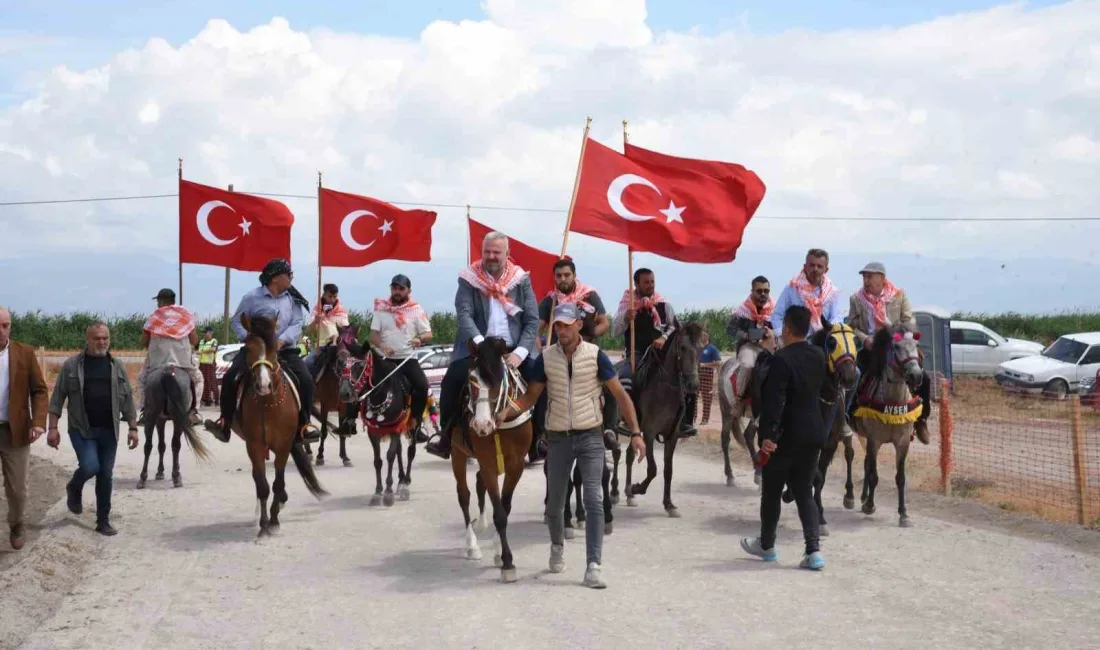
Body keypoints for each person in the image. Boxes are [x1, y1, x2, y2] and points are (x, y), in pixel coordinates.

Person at [495, 303, 647, 589]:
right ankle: (556, 545)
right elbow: (530, 397)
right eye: (558, 325)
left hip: (590, 435)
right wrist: (506, 412)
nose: (562, 330)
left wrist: (636, 432)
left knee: (592, 498)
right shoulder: (546, 358)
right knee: (554, 505)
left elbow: (621, 396)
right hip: (558, 438)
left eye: (567, 325)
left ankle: (593, 565)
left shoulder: (595, 356)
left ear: (579, 325)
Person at [425, 231, 539, 460]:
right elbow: (464, 314)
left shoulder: (521, 279)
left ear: (508, 253)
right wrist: (479, 346)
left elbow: (532, 320)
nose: (491, 256)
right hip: (477, 347)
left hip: (513, 349)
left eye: (497, 252)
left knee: (542, 379)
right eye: (487, 251)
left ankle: (540, 440)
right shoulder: (468, 278)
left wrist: (520, 353)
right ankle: (445, 438)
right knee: (451, 381)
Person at [741, 305, 833, 570]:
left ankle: (767, 546)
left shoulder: (781, 359)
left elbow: (774, 400)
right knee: (804, 491)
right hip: (814, 432)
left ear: (789, 328)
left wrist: (767, 435)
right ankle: (813, 551)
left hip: (785, 435)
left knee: (771, 491)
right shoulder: (818, 355)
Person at [204, 258, 321, 443]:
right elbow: (236, 321)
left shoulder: (293, 299)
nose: (291, 278)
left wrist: (282, 340)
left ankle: (304, 426)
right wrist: (250, 339)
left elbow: (298, 322)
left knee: (306, 380)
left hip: (284, 349)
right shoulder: (251, 297)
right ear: (275, 278)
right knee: (230, 376)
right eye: (288, 274)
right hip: (256, 350)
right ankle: (225, 425)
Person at [47, 321, 139, 537]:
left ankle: (103, 521)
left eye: (105, 337)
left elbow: (127, 400)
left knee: (105, 475)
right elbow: (57, 398)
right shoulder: (71, 366)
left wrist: (133, 428)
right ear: (87, 340)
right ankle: (74, 487)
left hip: (109, 430)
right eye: (97, 338)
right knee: (90, 466)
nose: (101, 342)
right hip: (81, 429)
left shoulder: (117, 366)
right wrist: (53, 428)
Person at [847, 261, 931, 444]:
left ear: (882, 279)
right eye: (864, 276)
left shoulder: (899, 295)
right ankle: (850, 415)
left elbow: (909, 322)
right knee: (856, 374)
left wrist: (892, 329)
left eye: (870, 276)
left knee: (923, 375)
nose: (866, 280)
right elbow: (851, 326)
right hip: (870, 347)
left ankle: (921, 420)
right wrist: (864, 338)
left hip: (897, 345)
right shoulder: (856, 298)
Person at [535, 259, 613, 455]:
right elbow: (536, 329)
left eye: (567, 275)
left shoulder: (589, 295)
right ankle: (539, 438)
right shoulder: (550, 300)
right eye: (559, 276)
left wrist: (592, 334)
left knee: (611, 384)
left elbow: (604, 322)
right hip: (558, 355)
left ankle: (610, 429)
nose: (563, 279)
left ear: (574, 275)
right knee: (538, 388)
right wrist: (542, 348)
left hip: (587, 352)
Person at [610, 267, 697, 439]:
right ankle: (627, 419)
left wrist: (664, 338)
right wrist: (627, 318)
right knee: (626, 375)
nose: (650, 285)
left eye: (652, 282)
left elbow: (675, 327)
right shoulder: (628, 305)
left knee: (689, 375)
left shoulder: (664, 305)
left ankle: (686, 421)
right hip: (638, 352)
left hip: (663, 353)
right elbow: (614, 331)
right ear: (636, 284)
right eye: (646, 282)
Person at [0, 306, 49, 550]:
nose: (1, 330)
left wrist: (39, 422)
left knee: (18, 489)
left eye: (5, 325)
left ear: (10, 327)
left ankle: (17, 523)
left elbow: (39, 390)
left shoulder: (24, 353)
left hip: (14, 431)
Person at [370, 274, 433, 438]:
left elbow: (428, 333)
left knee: (422, 386)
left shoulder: (416, 309)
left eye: (401, 288)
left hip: (407, 359)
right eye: (394, 288)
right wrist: (382, 345)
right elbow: (373, 336)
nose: (397, 291)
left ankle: (415, 425)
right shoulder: (381, 309)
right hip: (385, 359)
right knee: (362, 381)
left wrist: (420, 339)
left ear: (408, 291)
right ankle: (349, 420)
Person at [135, 289, 202, 427]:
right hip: (182, 361)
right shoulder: (185, 316)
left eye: (158, 301)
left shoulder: (154, 317)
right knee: (198, 380)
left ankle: (145, 411)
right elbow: (194, 340)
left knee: (142, 379)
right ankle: (193, 412)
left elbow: (144, 341)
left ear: (161, 301)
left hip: (158, 361)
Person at [771, 249, 843, 336]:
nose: (815, 269)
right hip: (797, 343)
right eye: (812, 265)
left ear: (826, 269)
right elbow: (777, 316)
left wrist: (826, 332)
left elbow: (837, 317)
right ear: (805, 266)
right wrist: (782, 338)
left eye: (819, 266)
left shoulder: (832, 292)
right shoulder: (792, 288)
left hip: (824, 343)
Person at [304, 283, 350, 378]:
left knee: (350, 363)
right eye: (329, 296)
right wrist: (315, 322)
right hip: (321, 346)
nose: (332, 300)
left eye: (334, 297)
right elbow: (308, 331)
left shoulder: (341, 311)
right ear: (324, 295)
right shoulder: (317, 310)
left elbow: (346, 330)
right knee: (308, 362)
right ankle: (312, 387)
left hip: (337, 346)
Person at [696, 330, 721, 426]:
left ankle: (705, 419)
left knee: (707, 399)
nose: (703, 337)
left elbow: (718, 362)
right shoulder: (697, 348)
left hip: (707, 376)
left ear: (708, 336)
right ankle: (692, 418)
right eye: (701, 335)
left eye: (705, 335)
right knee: (693, 397)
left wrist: (704, 364)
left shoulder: (712, 348)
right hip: (696, 376)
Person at [196, 327, 219, 407]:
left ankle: (216, 400)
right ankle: (206, 400)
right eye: (204, 333)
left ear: (210, 333)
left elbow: (213, 349)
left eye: (206, 332)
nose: (204, 334)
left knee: (211, 382)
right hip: (202, 364)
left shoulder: (214, 341)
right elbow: (196, 349)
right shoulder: (201, 341)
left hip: (210, 364)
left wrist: (201, 352)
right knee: (203, 382)